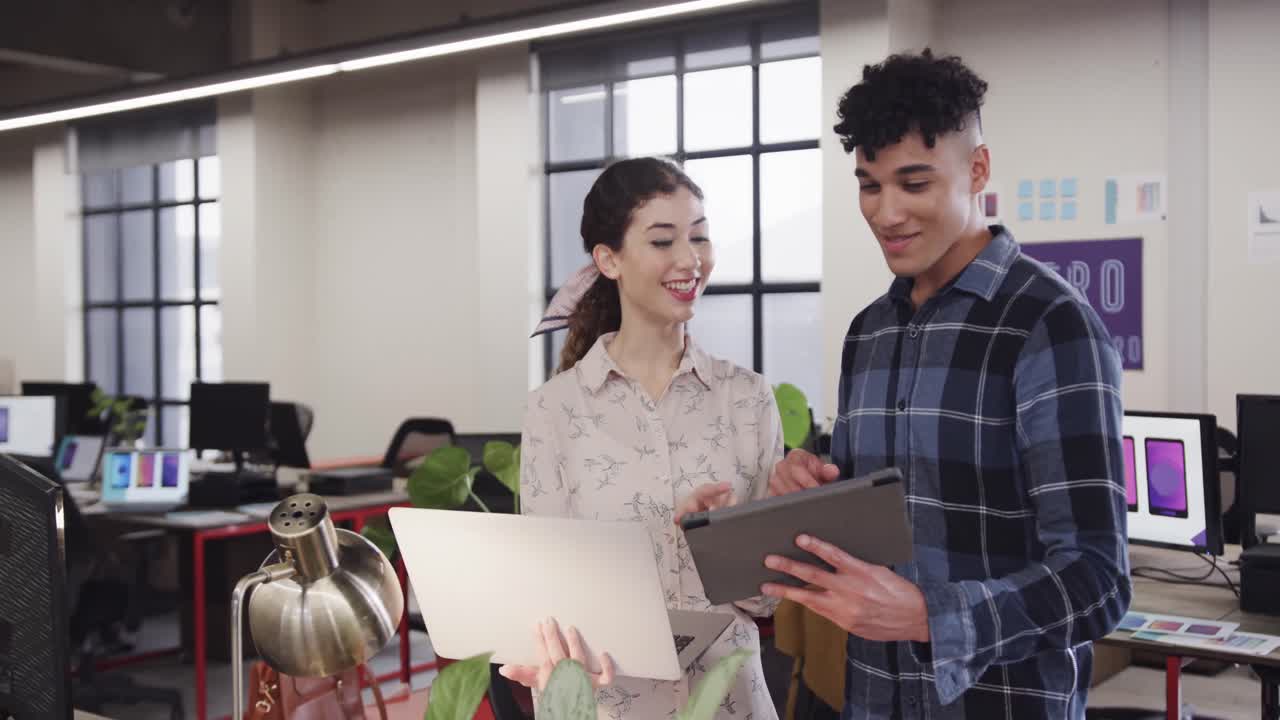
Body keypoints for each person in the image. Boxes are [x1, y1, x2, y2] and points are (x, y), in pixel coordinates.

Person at [762, 50, 1131, 718]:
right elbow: (879, 524)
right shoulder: (868, 334)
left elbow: (1097, 582)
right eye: (869, 186)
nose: (886, 213)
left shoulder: (1050, 324)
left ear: (978, 170)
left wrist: (928, 616)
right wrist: (810, 488)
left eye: (914, 183)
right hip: (874, 701)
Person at [499, 157, 784, 719]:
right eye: (662, 240)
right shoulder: (554, 410)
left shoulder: (747, 398)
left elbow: (767, 598)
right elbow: (548, 597)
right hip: (608, 703)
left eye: (699, 236)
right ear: (609, 259)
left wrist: (720, 542)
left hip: (730, 700)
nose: (690, 258)